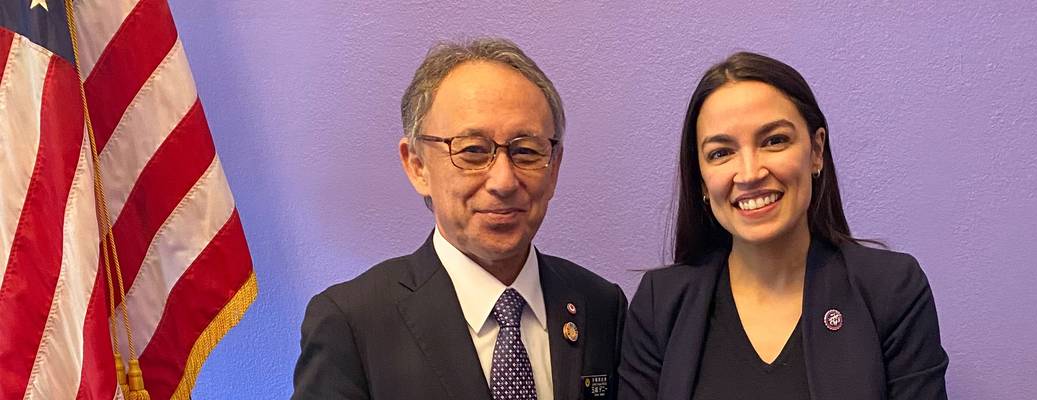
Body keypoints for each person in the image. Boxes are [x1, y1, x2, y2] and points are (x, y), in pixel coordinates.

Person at [294, 38, 627, 400]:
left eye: (526, 151)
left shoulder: (601, 306)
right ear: (417, 165)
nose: (503, 181)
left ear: (554, 168)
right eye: (472, 151)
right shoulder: (351, 322)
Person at [618, 52, 949, 399]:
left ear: (816, 151)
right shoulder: (660, 304)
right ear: (701, 179)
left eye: (774, 141)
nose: (749, 174)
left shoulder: (891, 290)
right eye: (721, 153)